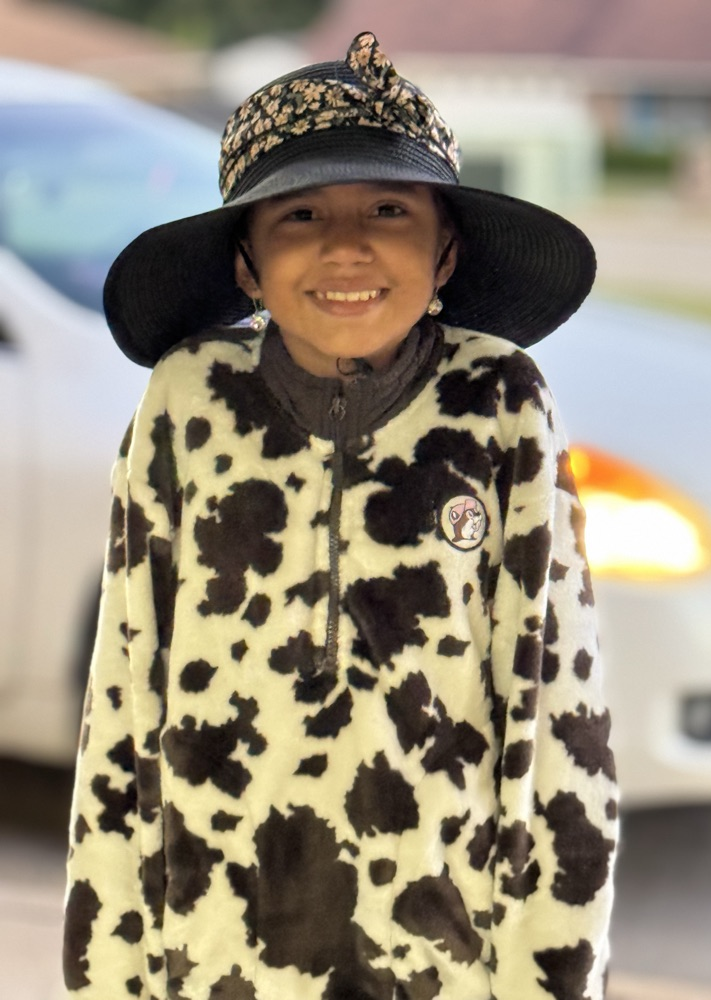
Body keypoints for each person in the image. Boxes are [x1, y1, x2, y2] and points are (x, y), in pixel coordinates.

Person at [63, 31, 618, 1000]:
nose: (347, 245)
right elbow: (125, 689)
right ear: (245, 262)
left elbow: (556, 701)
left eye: (390, 208)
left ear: (445, 250)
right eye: (301, 212)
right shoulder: (189, 398)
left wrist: (553, 968)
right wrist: (110, 969)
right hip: (218, 944)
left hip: (444, 950)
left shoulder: (497, 397)